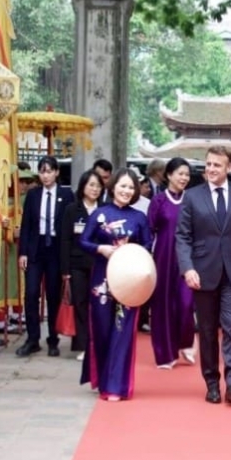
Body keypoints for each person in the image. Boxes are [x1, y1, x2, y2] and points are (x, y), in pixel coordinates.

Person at [175, 147, 231, 405]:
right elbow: (183, 236)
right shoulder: (191, 196)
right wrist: (187, 268)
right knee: (208, 331)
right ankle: (212, 383)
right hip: (203, 273)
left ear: (229, 168)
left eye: (217, 165)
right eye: (208, 164)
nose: (211, 169)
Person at [79, 169, 153, 401]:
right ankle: (102, 377)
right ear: (112, 188)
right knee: (102, 330)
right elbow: (83, 241)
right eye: (123, 186)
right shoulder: (100, 213)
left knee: (122, 333)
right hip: (102, 279)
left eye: (131, 188)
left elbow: (148, 246)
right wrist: (101, 249)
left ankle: (115, 385)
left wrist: (132, 252)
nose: (126, 191)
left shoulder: (139, 218)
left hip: (129, 281)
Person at [16, 156, 74, 358]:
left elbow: (70, 226)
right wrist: (22, 252)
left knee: (53, 295)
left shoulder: (67, 194)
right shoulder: (33, 195)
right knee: (31, 293)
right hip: (35, 248)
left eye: (49, 171)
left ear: (57, 172)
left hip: (56, 250)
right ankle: (32, 339)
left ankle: (53, 339)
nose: (46, 175)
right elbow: (26, 226)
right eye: (42, 171)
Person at [146, 158, 197, 369]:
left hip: (187, 260)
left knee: (186, 304)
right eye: (180, 173)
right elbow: (149, 230)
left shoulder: (192, 200)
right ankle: (165, 353)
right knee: (163, 306)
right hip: (163, 258)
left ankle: (185, 343)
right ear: (169, 175)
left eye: (186, 174)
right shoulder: (158, 201)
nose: (184, 178)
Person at [60, 170, 103, 359]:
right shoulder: (72, 209)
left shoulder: (105, 209)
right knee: (80, 303)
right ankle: (84, 345)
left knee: (99, 304)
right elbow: (65, 240)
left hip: (100, 263)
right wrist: (65, 270)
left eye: (98, 186)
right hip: (77, 264)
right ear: (83, 186)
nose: (95, 189)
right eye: (91, 185)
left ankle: (99, 344)